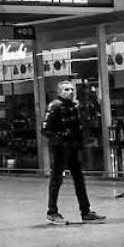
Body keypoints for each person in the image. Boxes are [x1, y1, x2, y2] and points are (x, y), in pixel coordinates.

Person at [42, 80, 106, 224]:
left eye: (72, 89)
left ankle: (86, 211)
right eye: (66, 89)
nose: (70, 92)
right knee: (56, 179)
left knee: (79, 180)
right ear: (60, 91)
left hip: (73, 148)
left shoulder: (75, 106)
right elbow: (45, 129)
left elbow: (78, 127)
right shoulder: (54, 106)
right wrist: (61, 139)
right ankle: (52, 211)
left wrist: (80, 143)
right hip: (61, 149)